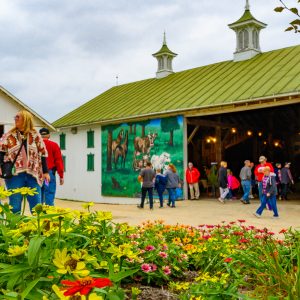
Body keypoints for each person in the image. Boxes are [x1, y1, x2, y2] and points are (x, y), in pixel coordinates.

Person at [0, 110, 50, 213]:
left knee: (37, 206)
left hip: (33, 174)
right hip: (15, 175)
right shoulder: (9, 135)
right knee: (15, 206)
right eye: (15, 117)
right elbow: (1, 151)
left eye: (18, 117)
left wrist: (45, 172)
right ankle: (15, 228)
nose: (15, 119)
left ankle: (39, 228)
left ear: (26, 119)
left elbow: (43, 153)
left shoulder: (35, 135)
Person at [39, 128, 64, 206]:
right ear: (49, 135)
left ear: (39, 136)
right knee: (49, 194)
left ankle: (38, 215)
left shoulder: (36, 145)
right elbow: (58, 161)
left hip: (37, 174)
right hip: (49, 175)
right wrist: (61, 176)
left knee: (39, 194)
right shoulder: (54, 145)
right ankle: (49, 215)